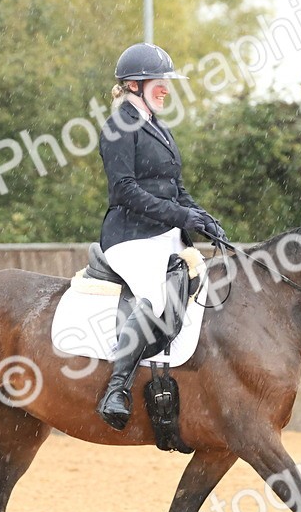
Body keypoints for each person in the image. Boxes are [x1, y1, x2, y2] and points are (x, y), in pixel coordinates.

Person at [95, 42, 227, 430]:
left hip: (165, 235)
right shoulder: (120, 125)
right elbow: (125, 190)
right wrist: (180, 215)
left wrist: (200, 216)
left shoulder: (157, 126)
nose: (167, 88)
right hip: (130, 238)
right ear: (135, 85)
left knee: (209, 287)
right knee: (157, 299)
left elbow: (173, 187)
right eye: (160, 81)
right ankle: (116, 390)